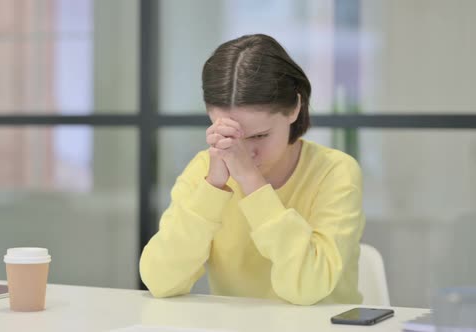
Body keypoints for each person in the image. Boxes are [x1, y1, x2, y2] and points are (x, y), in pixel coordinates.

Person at [139, 34, 365, 305]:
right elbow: (160, 281)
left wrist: (250, 181)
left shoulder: (335, 171)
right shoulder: (204, 169)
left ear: (295, 108)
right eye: (229, 136)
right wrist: (212, 188)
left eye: (259, 136)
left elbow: (307, 288)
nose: (244, 153)